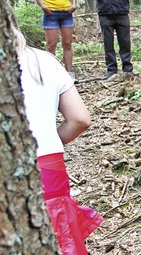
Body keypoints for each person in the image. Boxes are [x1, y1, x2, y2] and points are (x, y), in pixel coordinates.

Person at [11, 13, 103, 255]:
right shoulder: (45, 61)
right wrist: (48, 139)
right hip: (48, 164)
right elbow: (80, 119)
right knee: (58, 237)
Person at [34, 0, 77, 82]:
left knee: (67, 43)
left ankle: (69, 73)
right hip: (50, 13)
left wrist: (73, 5)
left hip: (66, 13)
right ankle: (50, 75)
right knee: (51, 44)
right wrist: (43, 6)